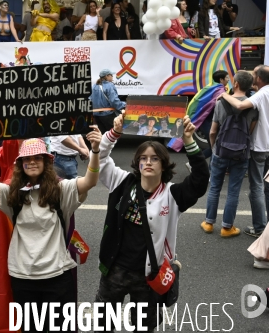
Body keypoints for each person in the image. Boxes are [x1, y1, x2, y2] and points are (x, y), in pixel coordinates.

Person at [0, 128, 101, 332]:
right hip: (23, 277)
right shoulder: (12, 193)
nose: (32, 162)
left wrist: (95, 151)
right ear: (20, 164)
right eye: (27, 159)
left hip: (57, 275)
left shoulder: (62, 190)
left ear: (46, 162)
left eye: (37, 158)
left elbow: (90, 181)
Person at [94, 114, 209, 332]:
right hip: (114, 269)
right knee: (103, 325)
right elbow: (99, 160)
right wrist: (114, 133)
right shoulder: (122, 181)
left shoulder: (172, 194)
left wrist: (189, 140)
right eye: (143, 158)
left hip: (149, 276)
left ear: (164, 164)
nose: (148, 162)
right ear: (137, 162)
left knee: (143, 327)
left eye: (155, 158)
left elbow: (200, 181)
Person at [202, 71, 258, 237]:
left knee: (214, 188)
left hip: (220, 151)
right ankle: (227, 228)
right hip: (241, 154)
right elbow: (250, 132)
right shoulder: (253, 106)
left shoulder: (221, 103)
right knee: (233, 191)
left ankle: (209, 223)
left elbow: (213, 132)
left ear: (236, 84)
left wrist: (214, 149)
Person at [219, 65, 269, 238]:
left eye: (254, 73)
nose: (252, 75)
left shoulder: (262, 93)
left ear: (260, 79)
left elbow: (240, 106)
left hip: (259, 146)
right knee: (266, 187)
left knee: (256, 186)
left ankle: (260, 227)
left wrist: (224, 94)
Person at [90, 69, 125, 134]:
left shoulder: (94, 86)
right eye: (111, 75)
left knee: (103, 136)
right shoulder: (109, 85)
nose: (112, 77)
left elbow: (90, 99)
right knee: (114, 135)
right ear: (107, 76)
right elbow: (114, 101)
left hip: (96, 115)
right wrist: (124, 105)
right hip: (108, 115)